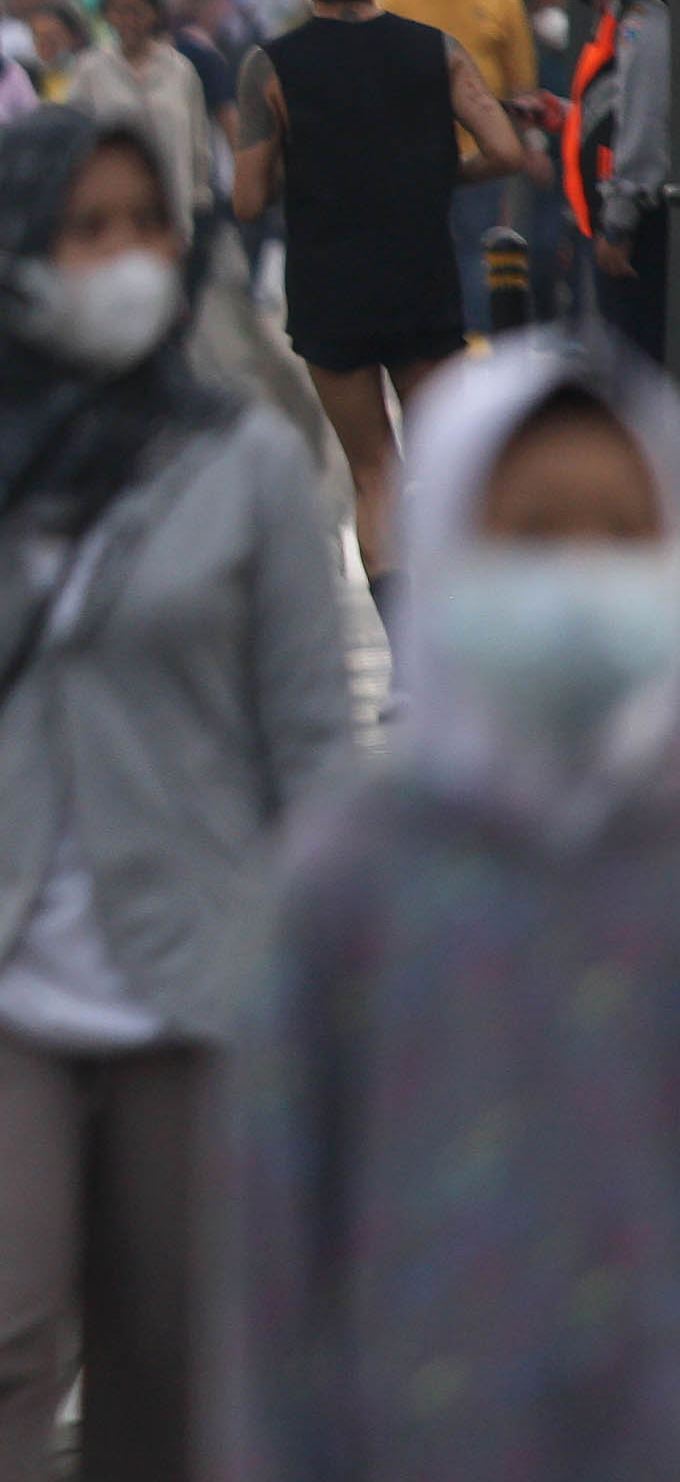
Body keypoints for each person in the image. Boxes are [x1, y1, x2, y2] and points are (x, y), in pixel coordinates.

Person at [0, 108, 352, 1482]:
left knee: (176, 1375)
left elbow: (313, 759)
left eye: (144, 226)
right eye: (84, 229)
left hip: (202, 989)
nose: (124, 258)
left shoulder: (246, 464)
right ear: (7, 253)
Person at [226, 339, 680, 1481]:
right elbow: (274, 1264)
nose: (579, 572)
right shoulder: (350, 883)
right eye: (532, 535)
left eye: (621, 536)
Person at [233, 0, 527, 591]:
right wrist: (438, 174)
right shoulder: (436, 50)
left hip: (327, 290)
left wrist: (305, 176)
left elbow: (248, 198)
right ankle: (450, 642)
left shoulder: (268, 69)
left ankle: (400, 657)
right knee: (445, 469)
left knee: (374, 474)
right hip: (421, 281)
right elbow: (507, 149)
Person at [375, 0, 538, 326]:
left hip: (481, 160)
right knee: (418, 255)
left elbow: (523, 85)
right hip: (412, 159)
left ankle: (475, 341)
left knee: (476, 254)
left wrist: (530, 145)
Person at [550, 0, 670, 359]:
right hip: (625, 220)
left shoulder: (647, 6)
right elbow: (616, 104)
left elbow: (646, 115)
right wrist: (564, 113)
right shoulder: (623, 4)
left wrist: (619, 223)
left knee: (639, 364)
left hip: (640, 228)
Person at [65, 0, 213, 234]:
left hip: (172, 205)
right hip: (110, 207)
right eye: (118, 11)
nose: (127, 20)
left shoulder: (179, 70)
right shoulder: (91, 68)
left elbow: (197, 139)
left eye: (136, 11)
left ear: (155, 14)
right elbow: (72, 134)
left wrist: (200, 194)